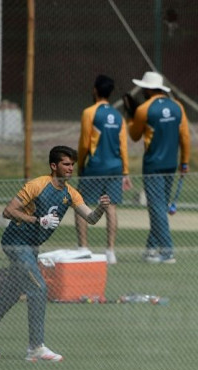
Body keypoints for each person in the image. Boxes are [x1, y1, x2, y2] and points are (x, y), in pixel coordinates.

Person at [0, 146, 110, 361]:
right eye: (66, 164)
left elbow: (91, 218)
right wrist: (37, 220)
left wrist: (101, 208)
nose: (70, 168)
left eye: (72, 165)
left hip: (31, 248)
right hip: (16, 242)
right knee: (39, 288)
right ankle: (35, 347)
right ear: (54, 166)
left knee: (11, 293)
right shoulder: (37, 185)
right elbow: (8, 211)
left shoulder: (70, 193)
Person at [126, 71, 190, 263]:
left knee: (156, 208)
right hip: (171, 164)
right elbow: (185, 137)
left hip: (153, 164)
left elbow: (135, 135)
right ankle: (151, 248)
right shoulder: (177, 106)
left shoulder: (144, 109)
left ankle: (167, 251)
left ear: (147, 89)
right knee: (159, 207)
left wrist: (131, 116)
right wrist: (184, 162)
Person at [75, 74, 131, 265]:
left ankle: (83, 248)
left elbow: (84, 143)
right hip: (115, 168)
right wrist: (125, 171)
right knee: (111, 207)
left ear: (95, 90)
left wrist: (80, 164)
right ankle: (110, 251)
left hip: (96, 166)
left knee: (81, 204)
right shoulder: (118, 116)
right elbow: (123, 146)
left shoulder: (89, 112)